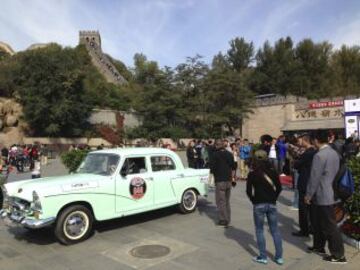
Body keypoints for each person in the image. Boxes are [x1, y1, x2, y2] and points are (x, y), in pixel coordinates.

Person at [305, 130, 347, 264]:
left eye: (312, 140)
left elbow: (314, 177)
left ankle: (338, 255)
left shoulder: (319, 155)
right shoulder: (334, 152)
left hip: (323, 194)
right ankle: (319, 247)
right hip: (331, 192)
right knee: (318, 222)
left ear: (316, 140)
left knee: (330, 226)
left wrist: (308, 195)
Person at [246, 150, 283, 265]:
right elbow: (279, 188)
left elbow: (248, 191)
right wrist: (274, 198)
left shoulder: (252, 173)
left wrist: (254, 200)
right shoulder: (273, 172)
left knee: (259, 230)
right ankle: (279, 257)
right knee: (275, 230)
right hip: (271, 204)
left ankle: (263, 256)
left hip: (259, 204)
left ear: (255, 159)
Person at [292, 134, 316, 237]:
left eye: (300, 140)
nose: (299, 142)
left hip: (305, 182)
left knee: (303, 208)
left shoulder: (308, 153)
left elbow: (296, 164)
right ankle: (311, 228)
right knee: (311, 208)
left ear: (305, 141)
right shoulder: (315, 152)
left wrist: (295, 162)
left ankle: (304, 230)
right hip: (312, 182)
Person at [210, 139, 236, 227]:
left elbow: (212, 168)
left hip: (220, 180)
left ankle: (223, 220)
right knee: (227, 201)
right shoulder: (229, 154)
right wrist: (233, 178)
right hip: (228, 180)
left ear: (217, 145)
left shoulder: (215, 155)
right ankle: (228, 218)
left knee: (221, 201)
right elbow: (233, 167)